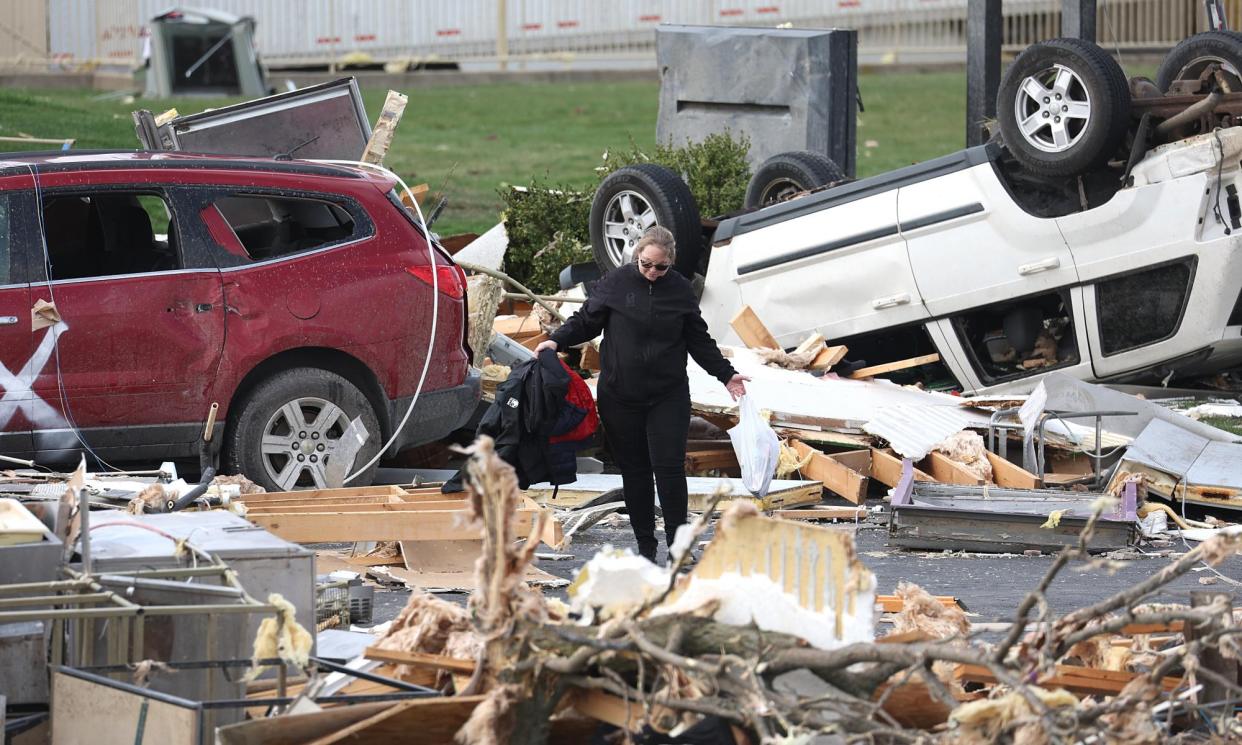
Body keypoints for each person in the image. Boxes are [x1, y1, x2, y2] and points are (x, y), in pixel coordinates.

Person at [536, 226, 750, 563]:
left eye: (659, 267)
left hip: (667, 394)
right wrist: (556, 339)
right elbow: (587, 321)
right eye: (645, 264)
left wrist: (726, 374)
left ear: (671, 264)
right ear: (637, 256)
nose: (651, 272)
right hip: (620, 395)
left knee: (669, 469)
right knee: (635, 471)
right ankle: (646, 548)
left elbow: (698, 340)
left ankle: (679, 546)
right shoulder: (616, 283)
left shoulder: (680, 290)